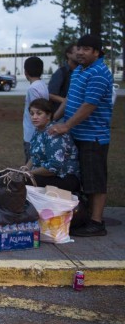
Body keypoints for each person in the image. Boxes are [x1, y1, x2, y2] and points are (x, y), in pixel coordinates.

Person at [0, 98, 80, 223]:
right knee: (6, 176)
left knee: (10, 180)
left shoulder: (54, 133)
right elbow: (35, 156)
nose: (34, 117)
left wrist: (29, 173)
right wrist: (26, 167)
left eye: (39, 113)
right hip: (47, 174)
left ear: (49, 115)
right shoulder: (39, 131)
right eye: (32, 114)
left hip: (64, 178)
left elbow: (53, 168)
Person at [51, 34, 113, 237]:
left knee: (95, 181)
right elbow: (70, 98)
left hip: (93, 137)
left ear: (97, 52)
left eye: (86, 49)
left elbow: (89, 105)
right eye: (79, 48)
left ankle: (97, 223)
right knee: (82, 178)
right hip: (77, 135)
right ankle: (84, 217)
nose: (80, 52)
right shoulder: (79, 70)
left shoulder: (99, 73)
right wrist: (54, 119)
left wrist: (66, 125)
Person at [22, 56, 49, 163]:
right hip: (36, 134)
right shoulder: (42, 84)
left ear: (26, 72)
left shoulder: (32, 88)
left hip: (32, 135)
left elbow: (37, 111)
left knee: (31, 164)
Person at [48, 44, 78, 116]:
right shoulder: (61, 72)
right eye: (77, 52)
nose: (80, 54)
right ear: (68, 55)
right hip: (62, 116)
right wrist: (67, 102)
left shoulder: (82, 72)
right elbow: (50, 94)